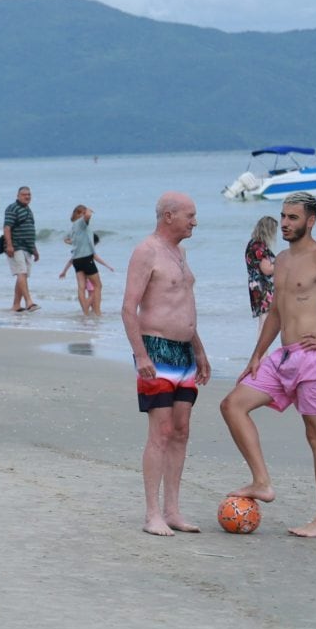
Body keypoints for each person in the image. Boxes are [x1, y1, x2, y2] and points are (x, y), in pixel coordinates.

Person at [220, 192, 316, 538]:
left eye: (293, 218)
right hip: (283, 357)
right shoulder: (283, 260)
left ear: (311, 221)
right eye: (283, 217)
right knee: (233, 405)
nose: (286, 223)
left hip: (314, 360)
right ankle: (261, 481)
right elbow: (275, 312)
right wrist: (257, 354)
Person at [121, 193, 210, 536]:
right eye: (190, 215)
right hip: (156, 350)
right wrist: (141, 355)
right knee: (160, 431)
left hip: (185, 352)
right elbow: (129, 307)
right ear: (169, 216)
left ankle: (173, 510)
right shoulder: (147, 251)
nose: (194, 222)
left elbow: (185, 305)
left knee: (181, 431)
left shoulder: (181, 253)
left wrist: (200, 350)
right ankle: (152, 514)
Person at [56, 204, 114, 318]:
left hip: (76, 260)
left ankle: (86, 313)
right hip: (86, 258)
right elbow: (87, 215)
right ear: (80, 214)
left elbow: (66, 239)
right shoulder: (81, 222)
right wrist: (89, 210)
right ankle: (96, 311)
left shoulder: (73, 227)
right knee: (98, 286)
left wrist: (76, 243)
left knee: (81, 287)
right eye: (82, 213)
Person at [1, 186, 39, 312]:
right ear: (18, 196)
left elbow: (30, 230)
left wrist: (34, 249)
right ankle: (29, 302)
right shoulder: (12, 208)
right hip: (16, 246)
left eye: (29, 194)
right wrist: (10, 245)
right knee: (21, 273)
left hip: (27, 247)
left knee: (23, 275)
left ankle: (16, 305)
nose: (27, 196)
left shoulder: (28, 209)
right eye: (24, 194)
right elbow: (7, 228)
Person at [245, 216, 278, 319]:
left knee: (265, 321)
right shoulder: (259, 246)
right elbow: (267, 270)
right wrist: (282, 264)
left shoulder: (252, 243)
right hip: (262, 287)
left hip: (256, 285)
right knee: (265, 321)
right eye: (273, 230)